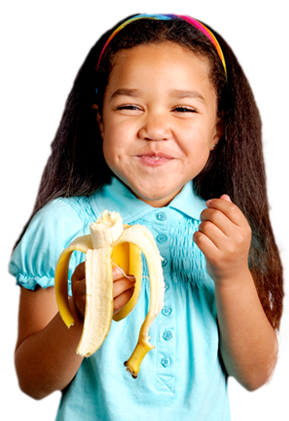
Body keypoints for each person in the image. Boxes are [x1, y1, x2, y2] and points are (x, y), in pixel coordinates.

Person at [7, 12, 289, 421]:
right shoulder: (60, 226)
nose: (155, 128)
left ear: (218, 128)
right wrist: (80, 316)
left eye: (183, 109)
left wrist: (232, 274)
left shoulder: (234, 233)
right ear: (100, 120)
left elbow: (256, 377)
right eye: (130, 105)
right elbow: (31, 385)